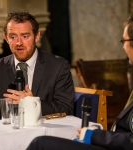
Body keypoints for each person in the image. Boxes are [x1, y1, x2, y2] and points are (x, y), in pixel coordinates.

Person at [26, 14, 133, 150]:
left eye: (124, 41)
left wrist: (95, 136)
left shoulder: (58, 66)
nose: (123, 47)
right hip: (110, 142)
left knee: (39, 144)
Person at [0, 11, 74, 121]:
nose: (18, 43)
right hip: (11, 134)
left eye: (25, 36)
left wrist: (32, 103)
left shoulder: (58, 66)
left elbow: (66, 108)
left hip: (45, 133)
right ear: (6, 38)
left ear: (37, 36)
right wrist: (8, 105)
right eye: (13, 37)